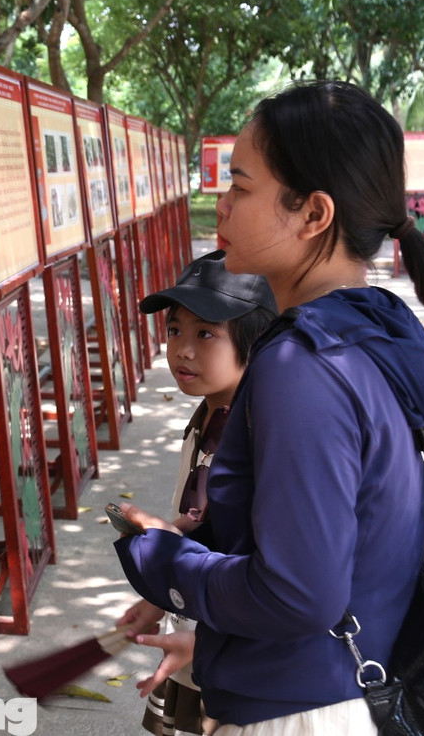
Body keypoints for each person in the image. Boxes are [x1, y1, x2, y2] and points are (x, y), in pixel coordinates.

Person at [112, 81, 424, 735]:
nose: (221, 205)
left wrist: (165, 566)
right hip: (338, 688)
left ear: (313, 214)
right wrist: (198, 547)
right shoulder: (371, 329)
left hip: (300, 713)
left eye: (240, 186)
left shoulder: (301, 364)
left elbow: (299, 593)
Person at [117, 250, 277, 736]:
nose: (182, 349)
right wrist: (163, 592)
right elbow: (196, 531)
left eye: (205, 333)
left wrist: (205, 639)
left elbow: (257, 567)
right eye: (175, 330)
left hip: (228, 648)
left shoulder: (256, 435)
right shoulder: (209, 413)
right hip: (193, 631)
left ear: (254, 342)